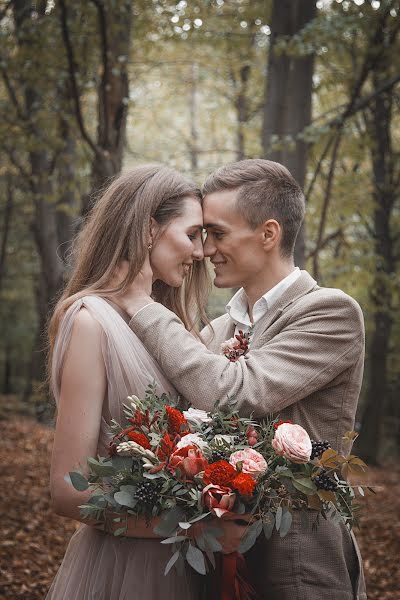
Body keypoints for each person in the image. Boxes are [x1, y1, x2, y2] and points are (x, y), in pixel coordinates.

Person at [116, 159, 367, 600]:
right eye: (200, 235)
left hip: (298, 565)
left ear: (269, 234)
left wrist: (142, 305)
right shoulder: (215, 332)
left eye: (217, 233)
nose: (205, 249)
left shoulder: (330, 312)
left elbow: (236, 391)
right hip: (213, 563)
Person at [46, 164, 210, 600]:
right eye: (191, 234)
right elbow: (66, 489)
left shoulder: (167, 325)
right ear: (149, 229)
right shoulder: (90, 323)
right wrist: (188, 528)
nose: (199, 252)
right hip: (125, 567)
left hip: (188, 567)